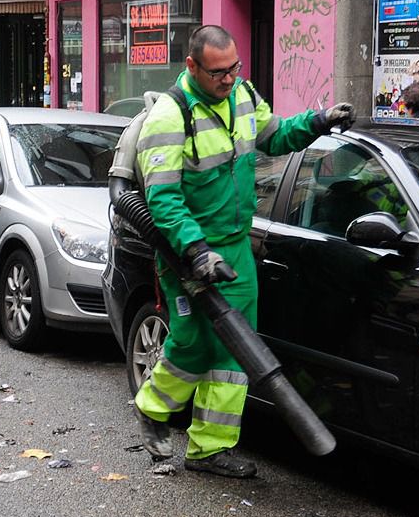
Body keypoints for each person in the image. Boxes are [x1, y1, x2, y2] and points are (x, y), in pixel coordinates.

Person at [131, 25, 354, 478]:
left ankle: (209, 449)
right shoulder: (170, 117)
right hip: (186, 254)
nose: (229, 79)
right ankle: (153, 408)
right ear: (192, 66)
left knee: (235, 353)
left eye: (234, 68)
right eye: (218, 73)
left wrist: (318, 121)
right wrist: (195, 251)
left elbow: (274, 135)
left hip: (234, 247)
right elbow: (163, 199)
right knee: (192, 344)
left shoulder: (244, 95)